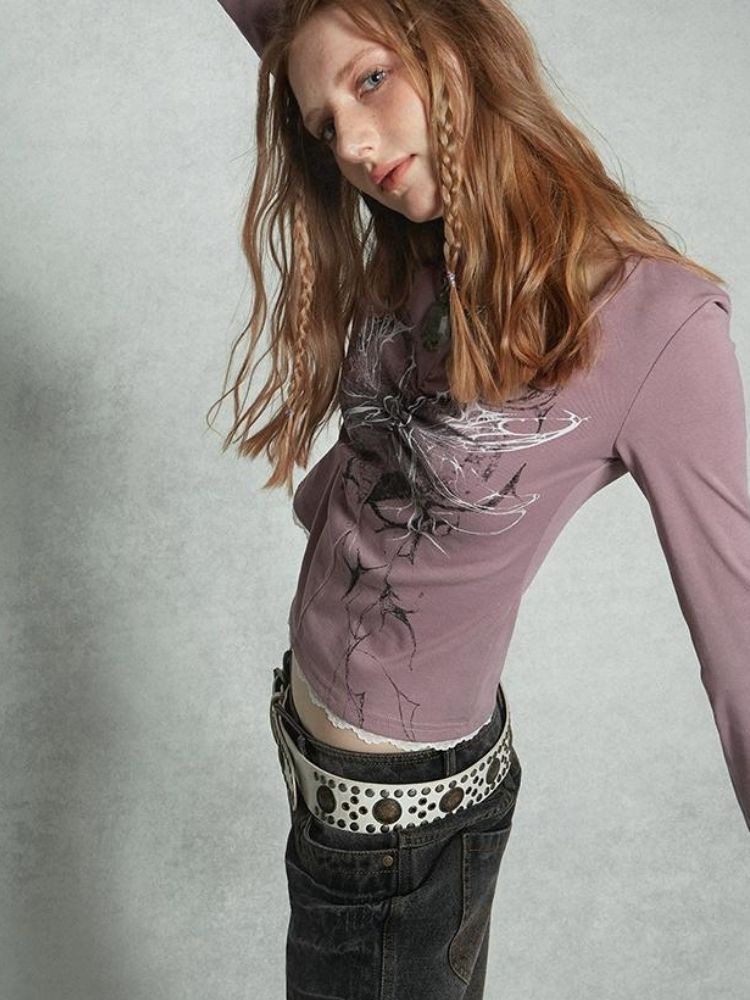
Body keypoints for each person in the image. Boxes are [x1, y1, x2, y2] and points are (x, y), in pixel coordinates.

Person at [210, 2, 750, 997]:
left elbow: (744, 640)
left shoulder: (656, 323)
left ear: (453, 39)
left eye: (372, 80)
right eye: (326, 126)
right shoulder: (431, 230)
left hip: (401, 850)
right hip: (326, 784)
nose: (354, 145)